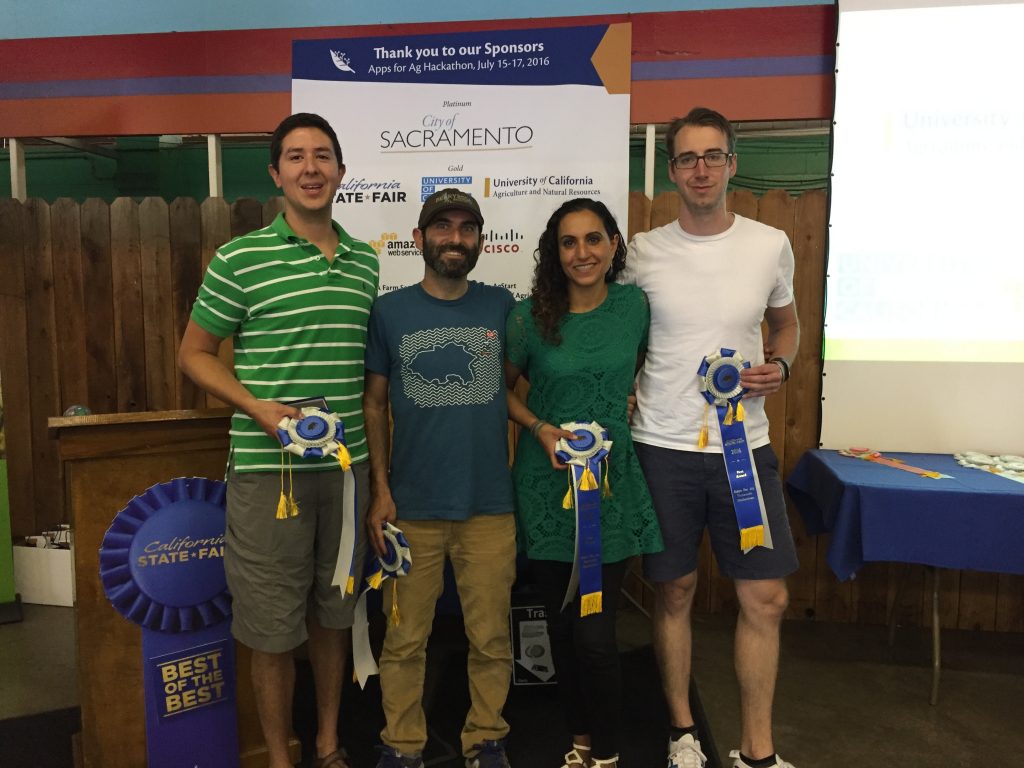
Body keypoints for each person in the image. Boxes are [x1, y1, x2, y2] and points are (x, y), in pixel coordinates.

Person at [179, 112, 378, 768]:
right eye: (296, 157)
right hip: (271, 476)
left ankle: (326, 745)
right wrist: (256, 406)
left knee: (332, 617)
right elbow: (195, 354)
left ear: (342, 172)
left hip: (348, 475)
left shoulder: (365, 263)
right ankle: (280, 757)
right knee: (269, 629)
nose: (311, 168)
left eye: (323, 156)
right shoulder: (240, 259)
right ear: (275, 174)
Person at [622, 107, 801, 768]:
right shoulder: (641, 252)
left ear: (732, 164)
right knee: (673, 591)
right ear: (672, 171)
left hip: (743, 449)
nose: (700, 169)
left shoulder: (770, 243)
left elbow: (786, 326)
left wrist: (780, 364)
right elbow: (615, 334)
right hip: (662, 446)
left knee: (768, 596)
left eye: (712, 156)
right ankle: (682, 733)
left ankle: (758, 751)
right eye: (688, 158)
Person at [504, 199, 663, 768]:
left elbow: (652, 370)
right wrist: (539, 427)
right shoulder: (529, 318)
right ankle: (579, 742)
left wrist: (634, 397)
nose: (582, 254)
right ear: (555, 251)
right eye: (568, 243)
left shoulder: (634, 307)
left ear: (614, 245)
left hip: (610, 489)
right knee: (561, 627)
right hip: (546, 488)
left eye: (593, 240)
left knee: (595, 632)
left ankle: (610, 752)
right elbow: (499, 390)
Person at [363, 188, 517, 768]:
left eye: (466, 228)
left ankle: (488, 737)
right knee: (403, 640)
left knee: (491, 638)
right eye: (443, 227)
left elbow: (526, 386)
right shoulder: (390, 311)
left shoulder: (502, 307)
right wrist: (381, 490)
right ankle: (402, 744)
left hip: (488, 506)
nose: (455, 238)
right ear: (420, 237)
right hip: (411, 507)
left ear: (481, 238)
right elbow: (374, 405)